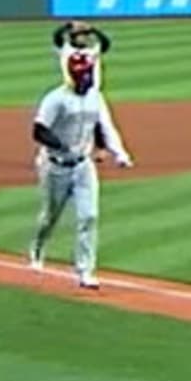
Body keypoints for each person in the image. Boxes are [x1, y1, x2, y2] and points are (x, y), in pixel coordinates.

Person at [28, 52, 132, 291]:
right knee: (50, 216)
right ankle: (38, 247)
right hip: (55, 166)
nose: (86, 79)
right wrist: (59, 144)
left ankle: (85, 271)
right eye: (82, 75)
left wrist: (119, 153)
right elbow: (38, 130)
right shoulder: (56, 99)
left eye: (88, 73)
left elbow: (103, 125)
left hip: (84, 166)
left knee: (89, 216)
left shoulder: (96, 97)